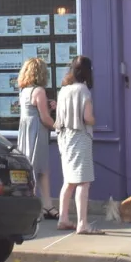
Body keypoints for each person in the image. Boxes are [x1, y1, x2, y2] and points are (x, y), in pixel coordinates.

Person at [54, 55, 101, 234]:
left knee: (68, 182)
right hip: (80, 137)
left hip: (64, 138)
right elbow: (87, 118)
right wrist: (95, 121)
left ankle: (63, 218)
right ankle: (83, 223)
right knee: (83, 182)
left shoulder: (64, 90)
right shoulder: (83, 90)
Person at [15, 57, 57, 219]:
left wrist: (48, 105)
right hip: (38, 133)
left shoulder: (24, 91)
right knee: (38, 170)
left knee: (39, 169)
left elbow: (33, 111)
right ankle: (35, 209)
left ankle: (47, 205)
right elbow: (45, 118)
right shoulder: (39, 91)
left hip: (26, 132)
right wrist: (59, 127)